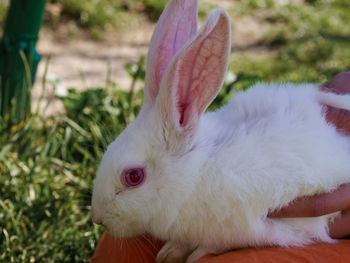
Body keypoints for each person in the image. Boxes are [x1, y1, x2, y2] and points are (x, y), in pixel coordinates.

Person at [91, 72, 350, 263]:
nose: (97, 217)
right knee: (120, 252)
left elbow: (269, 221)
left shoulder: (230, 177)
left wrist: (217, 242)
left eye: (134, 177)